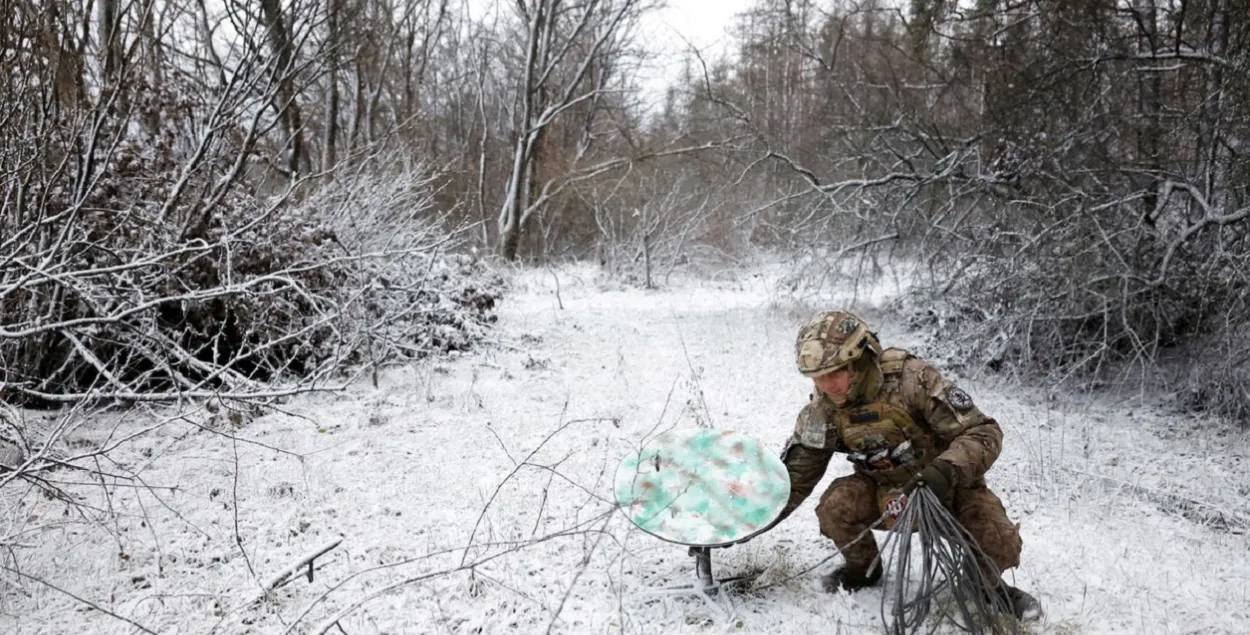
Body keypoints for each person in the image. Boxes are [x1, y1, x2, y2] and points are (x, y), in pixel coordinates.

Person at [772, 309, 1041, 620]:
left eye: (835, 372)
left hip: (948, 487)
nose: (827, 385)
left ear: (858, 360)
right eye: (818, 377)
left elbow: (983, 431)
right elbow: (795, 478)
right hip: (884, 491)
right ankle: (862, 571)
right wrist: (741, 523)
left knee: (998, 540)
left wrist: (944, 471)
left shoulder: (912, 381)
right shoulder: (823, 409)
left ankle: (984, 586)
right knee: (835, 506)